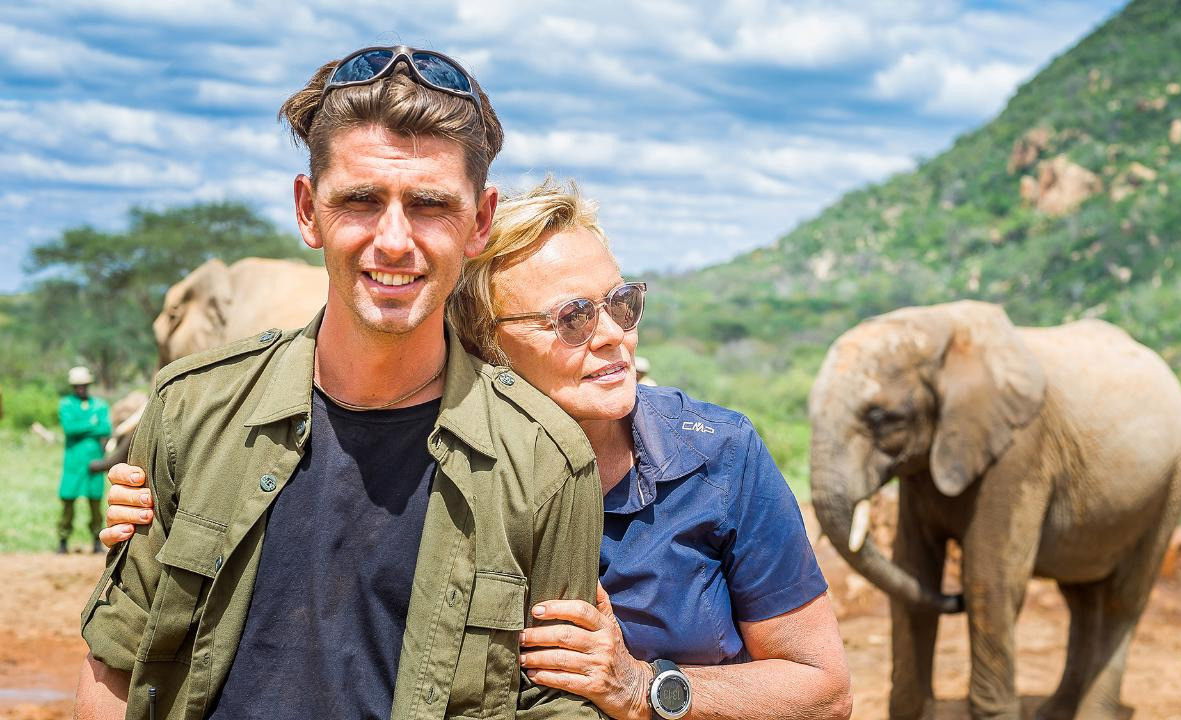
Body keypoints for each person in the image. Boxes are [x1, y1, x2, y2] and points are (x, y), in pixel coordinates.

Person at [103, 180, 854, 720]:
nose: (613, 336)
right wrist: (167, 506)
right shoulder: (429, 463)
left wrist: (643, 688)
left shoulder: (717, 457)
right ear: (486, 345)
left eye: (623, 303)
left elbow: (824, 689)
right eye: (572, 317)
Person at [75, 47, 606, 720]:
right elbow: (116, 660)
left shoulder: (546, 461)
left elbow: (559, 706)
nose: (394, 240)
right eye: (360, 200)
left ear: (479, 222)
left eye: (430, 205)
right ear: (308, 210)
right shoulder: (191, 412)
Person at [58, 366, 111, 554]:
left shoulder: (100, 405)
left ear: (88, 385)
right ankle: (63, 540)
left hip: (94, 463)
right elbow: (69, 429)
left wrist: (82, 426)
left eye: (84, 385)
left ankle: (96, 541)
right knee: (68, 501)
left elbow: (106, 429)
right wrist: (92, 423)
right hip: (73, 463)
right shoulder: (66, 404)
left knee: (95, 502)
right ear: (73, 386)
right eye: (77, 385)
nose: (81, 388)